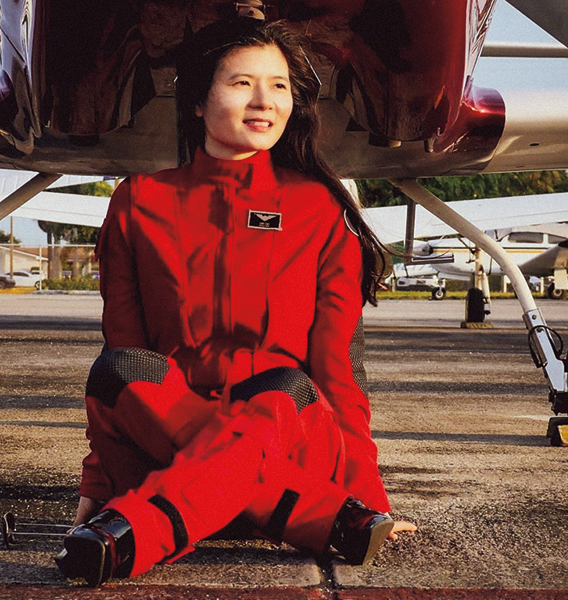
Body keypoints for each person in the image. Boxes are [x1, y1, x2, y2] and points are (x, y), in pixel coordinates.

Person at [56, 16, 415, 587]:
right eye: (241, 83)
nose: (264, 100)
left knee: (280, 390)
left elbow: (336, 369)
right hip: (170, 429)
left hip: (285, 426)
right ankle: (319, 518)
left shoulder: (321, 210)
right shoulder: (137, 203)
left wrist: (369, 491)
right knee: (119, 368)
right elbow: (123, 355)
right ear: (197, 100)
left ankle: (134, 535)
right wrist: (95, 485)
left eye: (278, 85)